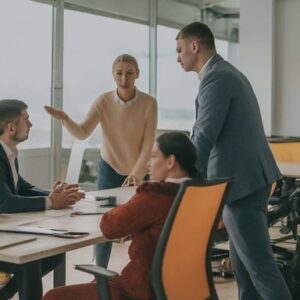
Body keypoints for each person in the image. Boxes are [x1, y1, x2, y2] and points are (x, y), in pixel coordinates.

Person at [176, 21, 292, 300]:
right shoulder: (226, 72)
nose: (178, 57)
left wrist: (182, 176)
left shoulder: (217, 78)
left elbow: (204, 134)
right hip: (247, 180)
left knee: (260, 269)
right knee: (245, 273)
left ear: (195, 46)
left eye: (180, 50)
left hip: (241, 185)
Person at [42, 131, 198, 300]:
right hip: (182, 288)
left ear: (170, 161)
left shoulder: (155, 196)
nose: (148, 164)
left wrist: (140, 194)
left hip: (140, 290)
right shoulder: (198, 193)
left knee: (53, 296)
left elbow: (109, 227)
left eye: (153, 157)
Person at [44, 54, 158, 268]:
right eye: (119, 73)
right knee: (105, 223)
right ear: (113, 75)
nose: (124, 78)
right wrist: (65, 119)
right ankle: (99, 273)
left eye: (129, 72)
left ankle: (141, 273)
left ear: (137, 74)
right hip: (109, 168)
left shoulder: (149, 103)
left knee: (141, 223)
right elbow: (82, 132)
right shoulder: (103, 101)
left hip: (137, 171)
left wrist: (137, 173)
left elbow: (148, 143)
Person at [0, 99, 85, 300]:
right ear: (11, 128)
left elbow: (20, 186)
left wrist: (51, 195)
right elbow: (4, 202)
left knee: (54, 252)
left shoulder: (8, 152)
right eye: (26, 120)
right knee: (30, 261)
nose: (30, 124)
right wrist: (52, 203)